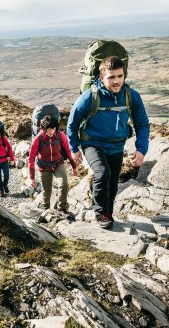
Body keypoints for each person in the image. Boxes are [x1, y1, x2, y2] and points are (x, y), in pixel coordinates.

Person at [67, 55, 150, 229]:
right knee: (102, 173)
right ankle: (100, 212)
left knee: (112, 182)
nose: (116, 81)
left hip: (117, 145)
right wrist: (74, 148)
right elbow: (72, 123)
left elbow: (142, 124)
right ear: (102, 77)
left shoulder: (131, 96)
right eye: (111, 77)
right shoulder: (89, 97)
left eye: (120, 76)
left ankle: (108, 214)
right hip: (93, 144)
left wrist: (141, 149)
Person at [29, 115, 78, 212]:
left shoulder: (60, 135)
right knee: (46, 192)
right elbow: (31, 159)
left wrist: (74, 166)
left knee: (64, 185)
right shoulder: (38, 139)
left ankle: (62, 207)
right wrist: (32, 178)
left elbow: (68, 151)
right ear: (43, 129)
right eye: (48, 129)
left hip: (58, 163)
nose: (51, 131)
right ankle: (46, 208)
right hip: (44, 166)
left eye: (53, 128)